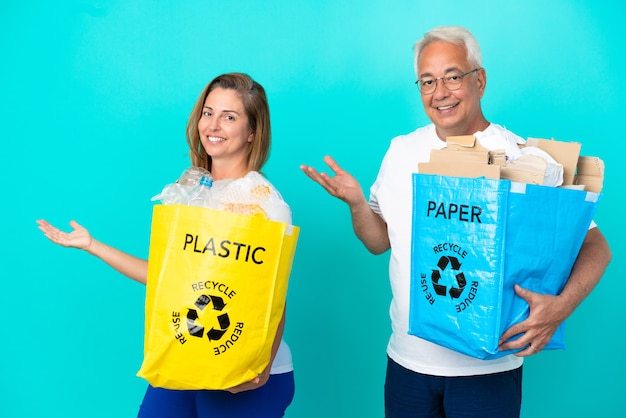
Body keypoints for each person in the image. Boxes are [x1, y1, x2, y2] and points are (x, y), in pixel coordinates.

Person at [301, 26, 611, 418]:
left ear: (479, 80)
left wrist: (560, 307)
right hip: (406, 363)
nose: (440, 92)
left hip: (487, 370)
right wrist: (358, 204)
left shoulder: (523, 159)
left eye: (452, 76)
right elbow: (379, 241)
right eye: (428, 81)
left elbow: (597, 247)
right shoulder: (401, 151)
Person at [37, 72, 295, 418]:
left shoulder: (263, 202)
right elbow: (167, 279)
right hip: (184, 356)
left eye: (229, 117)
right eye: (208, 112)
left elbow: (272, 299)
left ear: (252, 132)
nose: (213, 125)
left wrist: (259, 372)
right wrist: (92, 245)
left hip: (240, 371)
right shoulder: (190, 192)